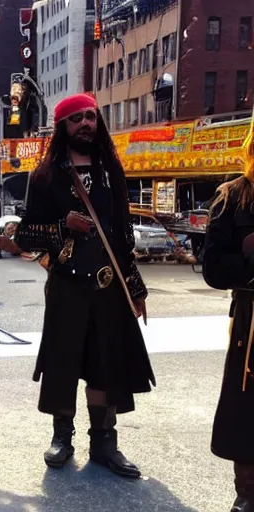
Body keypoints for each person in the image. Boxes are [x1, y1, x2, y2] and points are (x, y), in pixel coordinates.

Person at [0, 93, 155, 478]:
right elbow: (28, 235)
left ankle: (104, 442)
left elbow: (122, 235)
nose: (86, 124)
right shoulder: (45, 175)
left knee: (106, 364)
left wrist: (135, 287)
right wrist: (61, 225)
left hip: (108, 288)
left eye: (90, 117)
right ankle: (61, 437)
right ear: (63, 127)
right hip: (67, 287)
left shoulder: (110, 171)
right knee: (63, 363)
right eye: (76, 119)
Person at [202, 130, 254, 512]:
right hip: (253, 324)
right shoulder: (233, 196)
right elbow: (213, 269)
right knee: (247, 407)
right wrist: (249, 256)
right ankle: (247, 493)